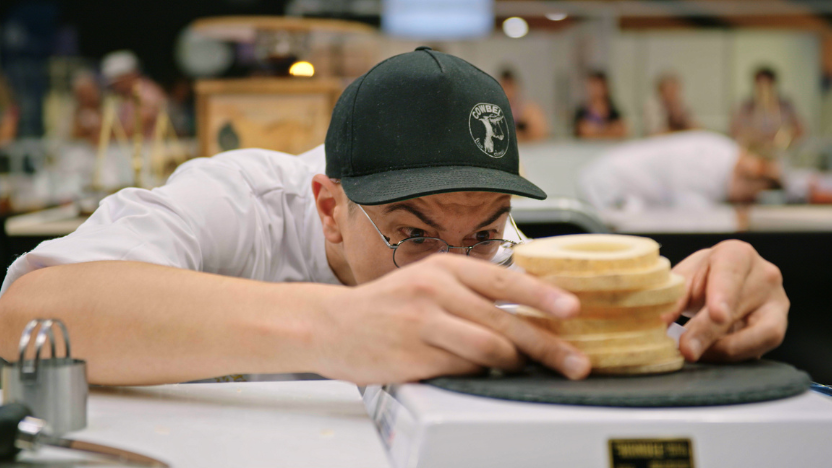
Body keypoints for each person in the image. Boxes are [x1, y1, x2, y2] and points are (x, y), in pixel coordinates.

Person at [0, 49, 788, 386]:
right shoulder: (239, 201)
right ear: (329, 207)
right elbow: (29, 316)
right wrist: (334, 327)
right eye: (413, 234)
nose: (454, 267)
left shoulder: (498, 256)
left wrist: (714, 303)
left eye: (482, 230)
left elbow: (618, 338)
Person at [579, 130, 782, 211]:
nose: (750, 199)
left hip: (624, 188)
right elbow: (692, 214)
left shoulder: (721, 153)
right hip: (609, 184)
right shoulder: (706, 161)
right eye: (753, 193)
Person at [731, 66, 804, 150]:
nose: (764, 90)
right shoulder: (746, 107)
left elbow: (800, 130)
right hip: (754, 153)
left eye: (767, 85)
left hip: (780, 153)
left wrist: (787, 134)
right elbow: (735, 131)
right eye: (760, 86)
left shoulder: (786, 106)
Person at [100, 50, 167, 138]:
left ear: (130, 75)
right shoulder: (124, 97)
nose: (116, 87)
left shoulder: (148, 94)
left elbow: (132, 130)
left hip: (148, 150)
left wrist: (103, 136)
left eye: (118, 82)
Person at [574, 71, 627, 139]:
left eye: (599, 85)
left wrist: (596, 131)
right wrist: (608, 130)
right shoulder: (582, 112)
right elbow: (583, 131)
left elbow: (620, 130)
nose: (597, 90)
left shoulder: (614, 112)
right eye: (593, 85)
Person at [498, 69, 548, 142]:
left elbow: (541, 132)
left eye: (510, 86)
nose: (508, 91)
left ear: (516, 87)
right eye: (504, 86)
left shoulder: (529, 110)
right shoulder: (498, 110)